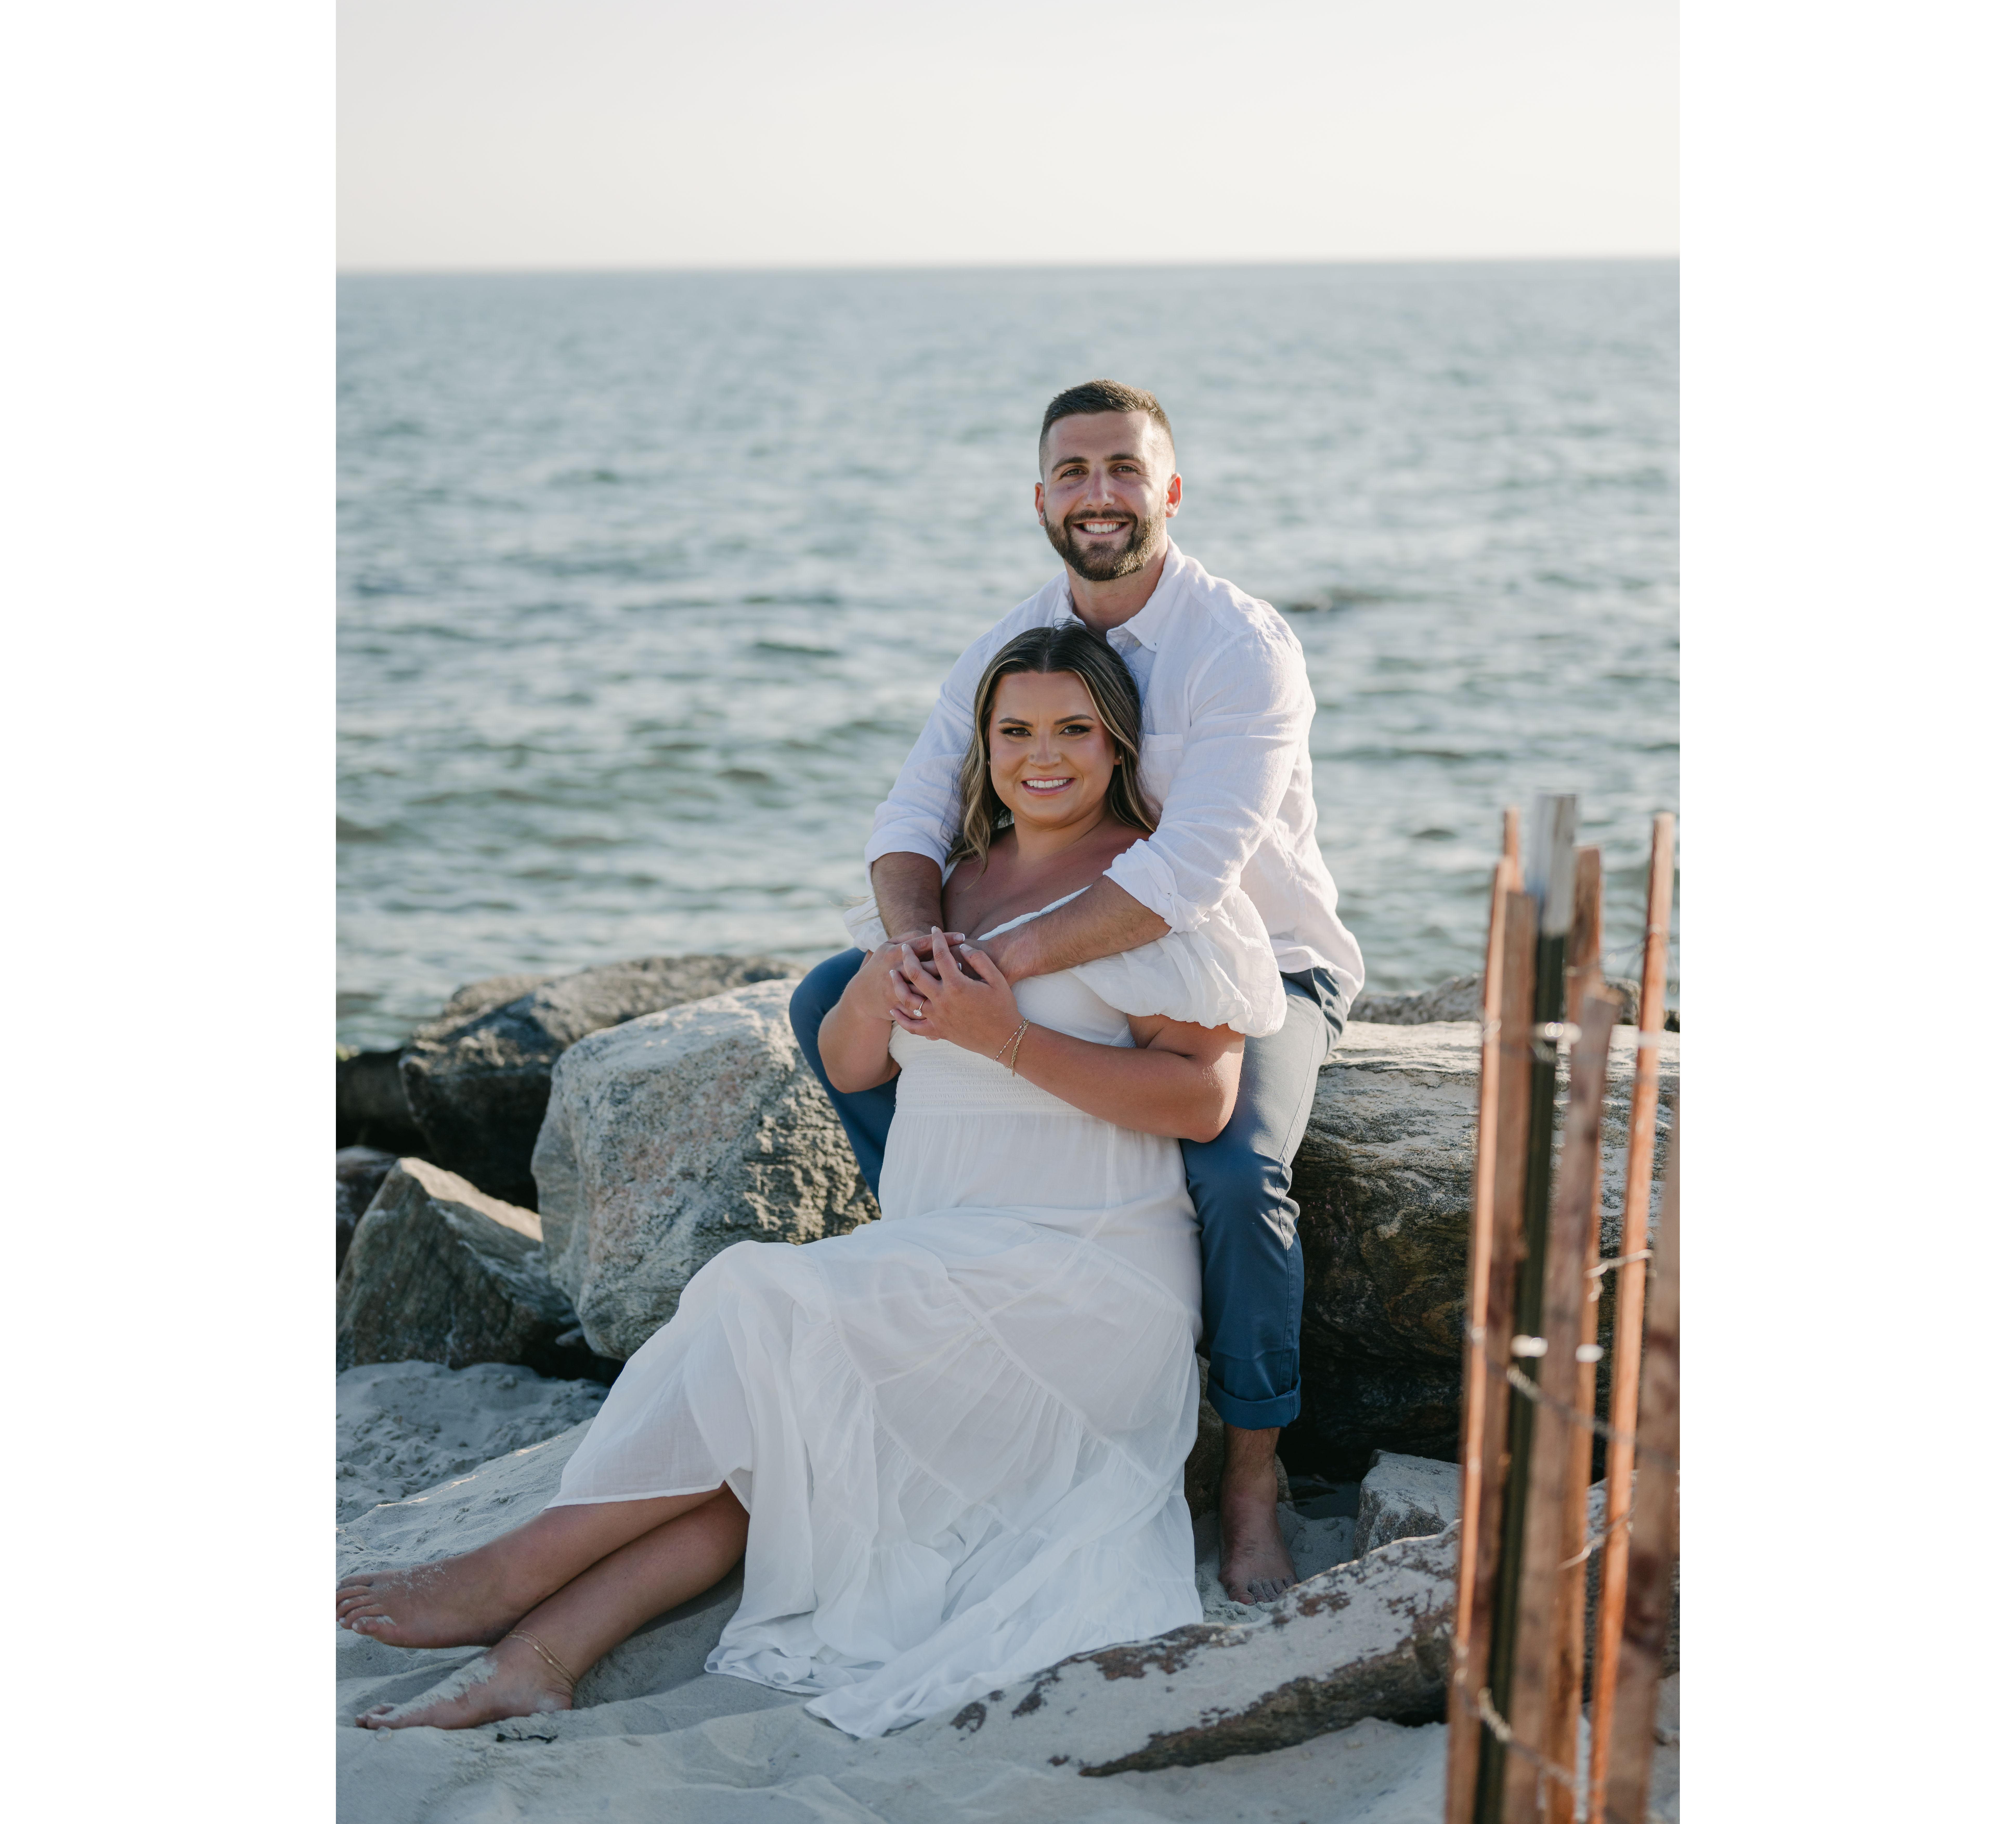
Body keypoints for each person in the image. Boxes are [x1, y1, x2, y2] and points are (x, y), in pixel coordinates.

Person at [337, 625, 1289, 1737]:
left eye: (1075, 731)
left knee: (756, 1303)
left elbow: (1201, 1102)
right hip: (950, 1263)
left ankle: (516, 1569)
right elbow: (849, 1065)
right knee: (782, 1436)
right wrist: (890, 978)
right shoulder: (948, 889)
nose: (1045, 755)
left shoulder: (1160, 892)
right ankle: (542, 1653)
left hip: (1083, 1279)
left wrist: (1006, 1039)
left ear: (1118, 745)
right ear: (980, 748)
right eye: (1015, 729)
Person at [790, 379, 1363, 1606]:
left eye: (1122, 469)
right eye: (1072, 471)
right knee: (825, 1002)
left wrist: (989, 978)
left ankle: (1253, 1469)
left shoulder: (1241, 647)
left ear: (1167, 490)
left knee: (1235, 1165)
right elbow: (909, 818)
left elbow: (1189, 873)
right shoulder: (1014, 634)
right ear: (1041, 496)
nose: (1097, 493)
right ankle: (955, 1259)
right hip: (1049, 951)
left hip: (1252, 962)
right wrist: (916, 956)